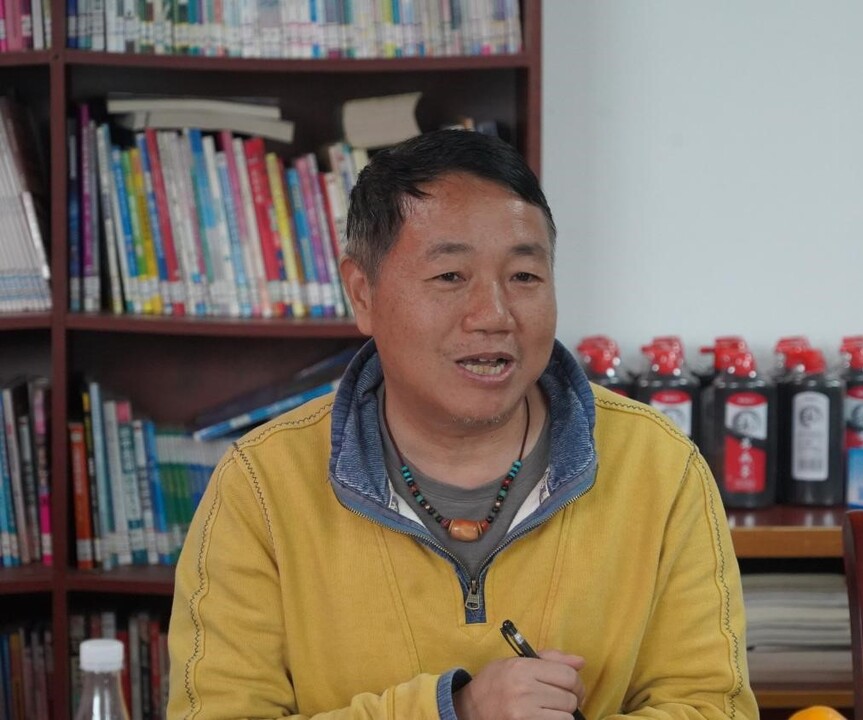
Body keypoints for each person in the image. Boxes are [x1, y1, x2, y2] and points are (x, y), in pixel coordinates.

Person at [167, 129, 759, 720]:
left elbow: (713, 707)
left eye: (524, 277)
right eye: (450, 276)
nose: (494, 316)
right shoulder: (262, 485)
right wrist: (459, 711)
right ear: (362, 293)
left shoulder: (659, 466)